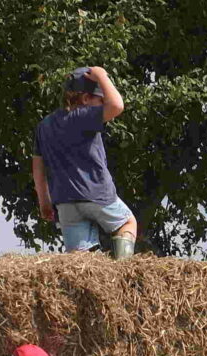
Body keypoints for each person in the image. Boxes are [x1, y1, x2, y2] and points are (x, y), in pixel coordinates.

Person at [32, 66, 134, 259]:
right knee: (126, 223)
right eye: (100, 100)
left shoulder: (44, 126)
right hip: (96, 194)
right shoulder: (83, 116)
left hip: (65, 203)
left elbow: (38, 167)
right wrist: (102, 75)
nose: (103, 104)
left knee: (81, 258)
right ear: (86, 99)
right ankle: (124, 270)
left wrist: (44, 202)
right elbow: (117, 105)